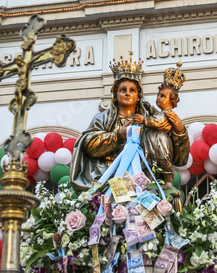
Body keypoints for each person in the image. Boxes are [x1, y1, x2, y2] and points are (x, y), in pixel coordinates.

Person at [70, 54, 189, 194]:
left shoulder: (152, 118)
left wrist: (180, 131)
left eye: (132, 90)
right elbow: (87, 145)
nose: (127, 94)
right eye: (122, 90)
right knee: (116, 206)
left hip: (144, 179)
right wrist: (118, 136)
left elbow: (178, 158)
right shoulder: (102, 118)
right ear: (115, 94)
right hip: (111, 175)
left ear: (138, 95)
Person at [133, 74, 186, 187]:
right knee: (150, 161)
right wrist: (149, 107)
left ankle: (168, 181)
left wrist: (144, 120)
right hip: (151, 143)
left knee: (163, 161)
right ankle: (150, 180)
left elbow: (158, 121)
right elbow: (156, 114)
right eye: (158, 95)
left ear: (171, 100)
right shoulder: (161, 113)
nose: (158, 98)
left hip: (161, 142)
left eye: (162, 96)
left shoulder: (168, 114)